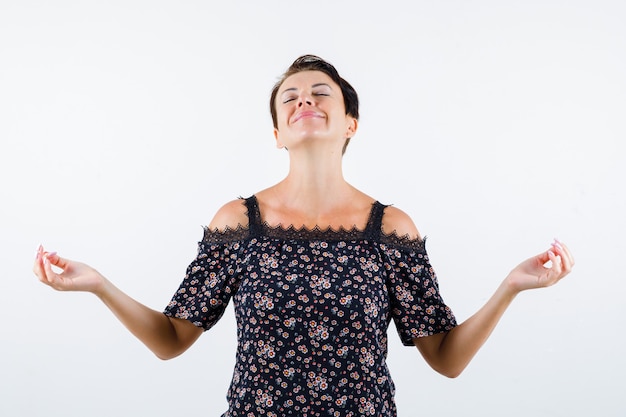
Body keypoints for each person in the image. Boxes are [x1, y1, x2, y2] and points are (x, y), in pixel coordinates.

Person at [33, 55, 574, 417]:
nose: (303, 102)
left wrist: (511, 286)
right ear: (276, 133)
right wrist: (99, 284)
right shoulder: (237, 222)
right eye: (289, 98)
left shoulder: (390, 229)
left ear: (349, 124)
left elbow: (446, 359)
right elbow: (172, 340)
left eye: (320, 94)